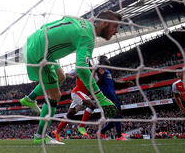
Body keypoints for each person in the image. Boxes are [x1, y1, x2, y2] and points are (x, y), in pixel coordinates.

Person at [20, 11, 122, 145]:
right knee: (55, 96)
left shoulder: (82, 22)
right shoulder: (88, 37)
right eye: (115, 27)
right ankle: (40, 136)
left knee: (61, 77)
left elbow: (64, 19)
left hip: (35, 42)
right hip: (40, 53)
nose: (116, 31)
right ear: (104, 23)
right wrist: (100, 98)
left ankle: (29, 99)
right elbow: (81, 68)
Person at [96, 55, 134, 140]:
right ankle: (119, 136)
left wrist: (125, 83)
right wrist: (101, 75)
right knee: (116, 115)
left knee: (117, 117)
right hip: (107, 95)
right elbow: (95, 85)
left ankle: (102, 132)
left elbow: (113, 82)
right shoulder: (99, 69)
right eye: (106, 58)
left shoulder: (107, 71)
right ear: (102, 60)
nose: (108, 60)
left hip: (112, 94)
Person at [53, 67, 96, 141]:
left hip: (81, 94)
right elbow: (69, 74)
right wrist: (60, 75)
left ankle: (57, 132)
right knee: (92, 105)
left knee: (69, 114)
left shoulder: (93, 74)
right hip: (77, 93)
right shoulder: (80, 70)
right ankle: (81, 126)